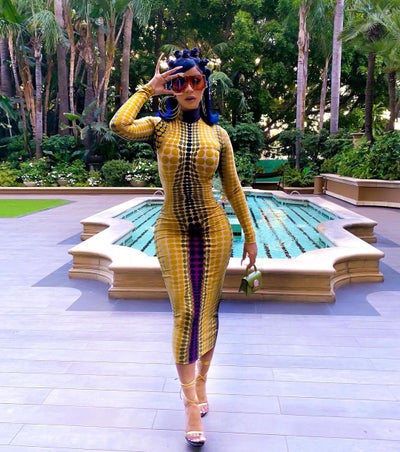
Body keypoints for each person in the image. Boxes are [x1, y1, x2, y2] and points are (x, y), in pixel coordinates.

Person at [110, 47, 257, 448]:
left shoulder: (219, 135)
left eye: (195, 80)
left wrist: (250, 234)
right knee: (185, 311)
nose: (189, 88)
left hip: (214, 229)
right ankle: (190, 402)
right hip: (172, 228)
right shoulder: (158, 128)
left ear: (204, 85)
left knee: (207, 310)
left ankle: (202, 382)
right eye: (180, 82)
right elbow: (119, 125)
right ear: (172, 87)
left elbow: (233, 188)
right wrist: (149, 88)